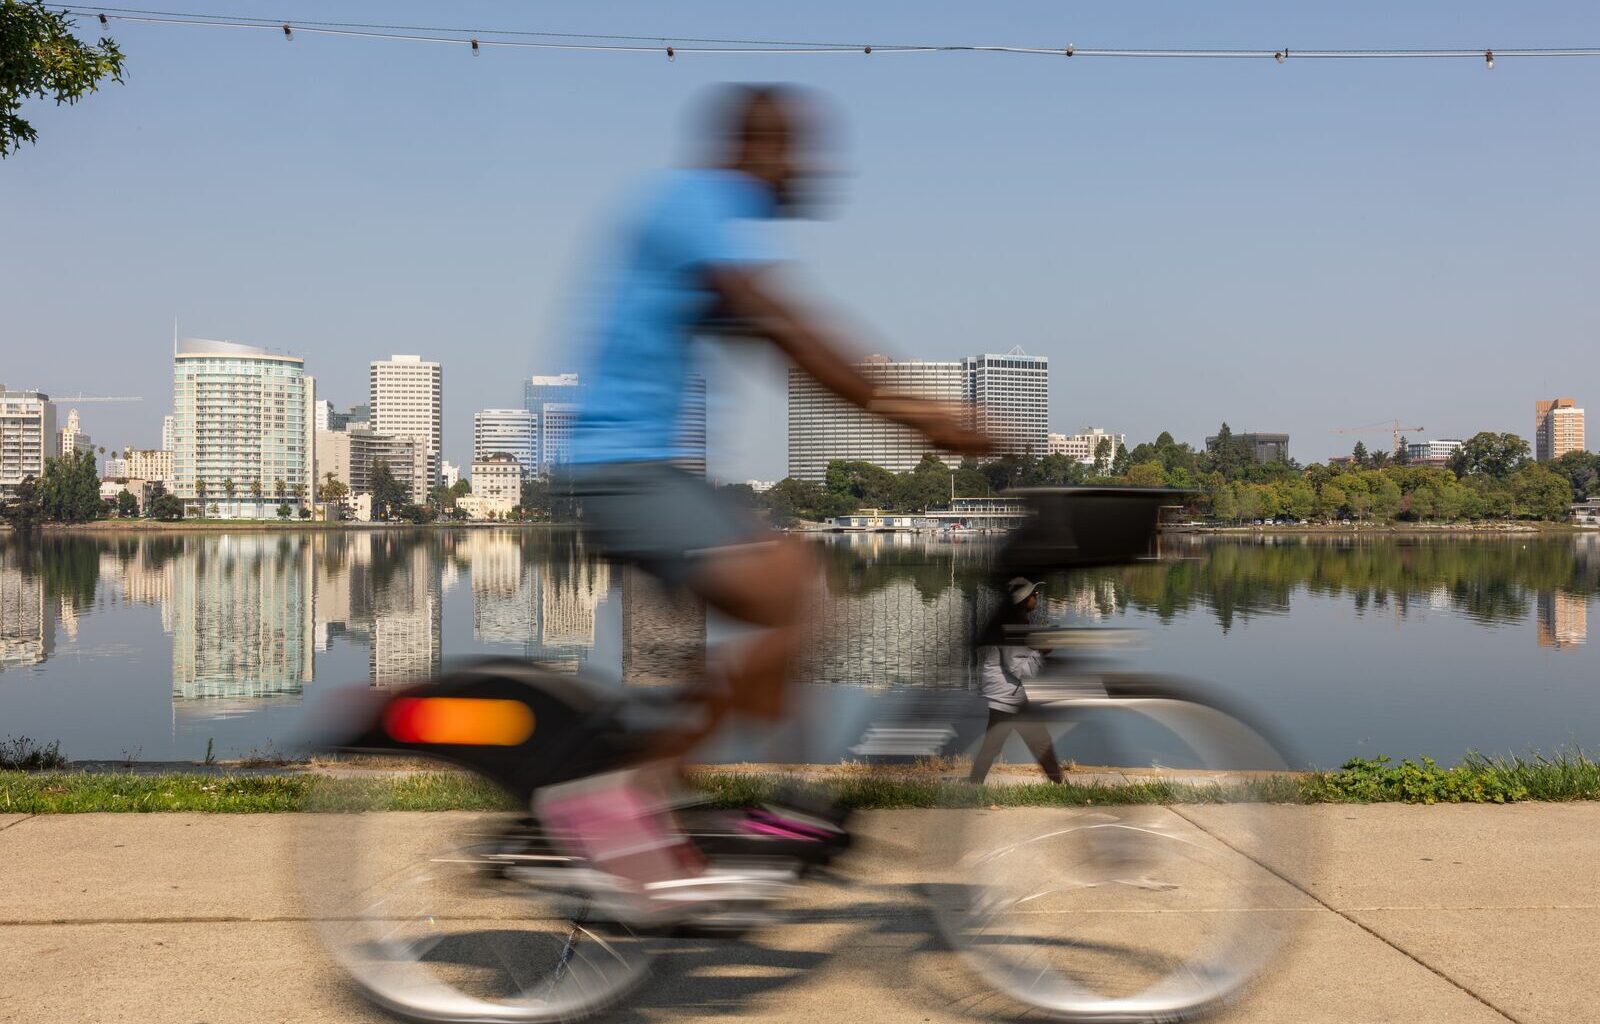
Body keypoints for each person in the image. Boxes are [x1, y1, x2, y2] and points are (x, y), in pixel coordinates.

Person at [545, 84, 992, 908]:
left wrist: (889, 404)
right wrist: (919, 414)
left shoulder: (704, 219)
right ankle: (623, 799)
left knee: (797, 588)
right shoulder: (696, 207)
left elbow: (781, 342)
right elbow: (792, 331)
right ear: (753, 148)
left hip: (650, 468)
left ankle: (781, 807)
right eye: (793, 147)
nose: (807, 167)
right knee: (791, 598)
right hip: (621, 468)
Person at [967, 577, 1065, 785]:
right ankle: (1060, 785)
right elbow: (1019, 668)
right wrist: (1043, 652)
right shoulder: (1014, 624)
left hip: (1007, 693)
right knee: (1038, 741)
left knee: (1000, 744)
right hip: (1007, 695)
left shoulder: (1015, 621)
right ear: (1023, 599)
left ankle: (973, 784)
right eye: (1033, 595)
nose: (1037, 597)